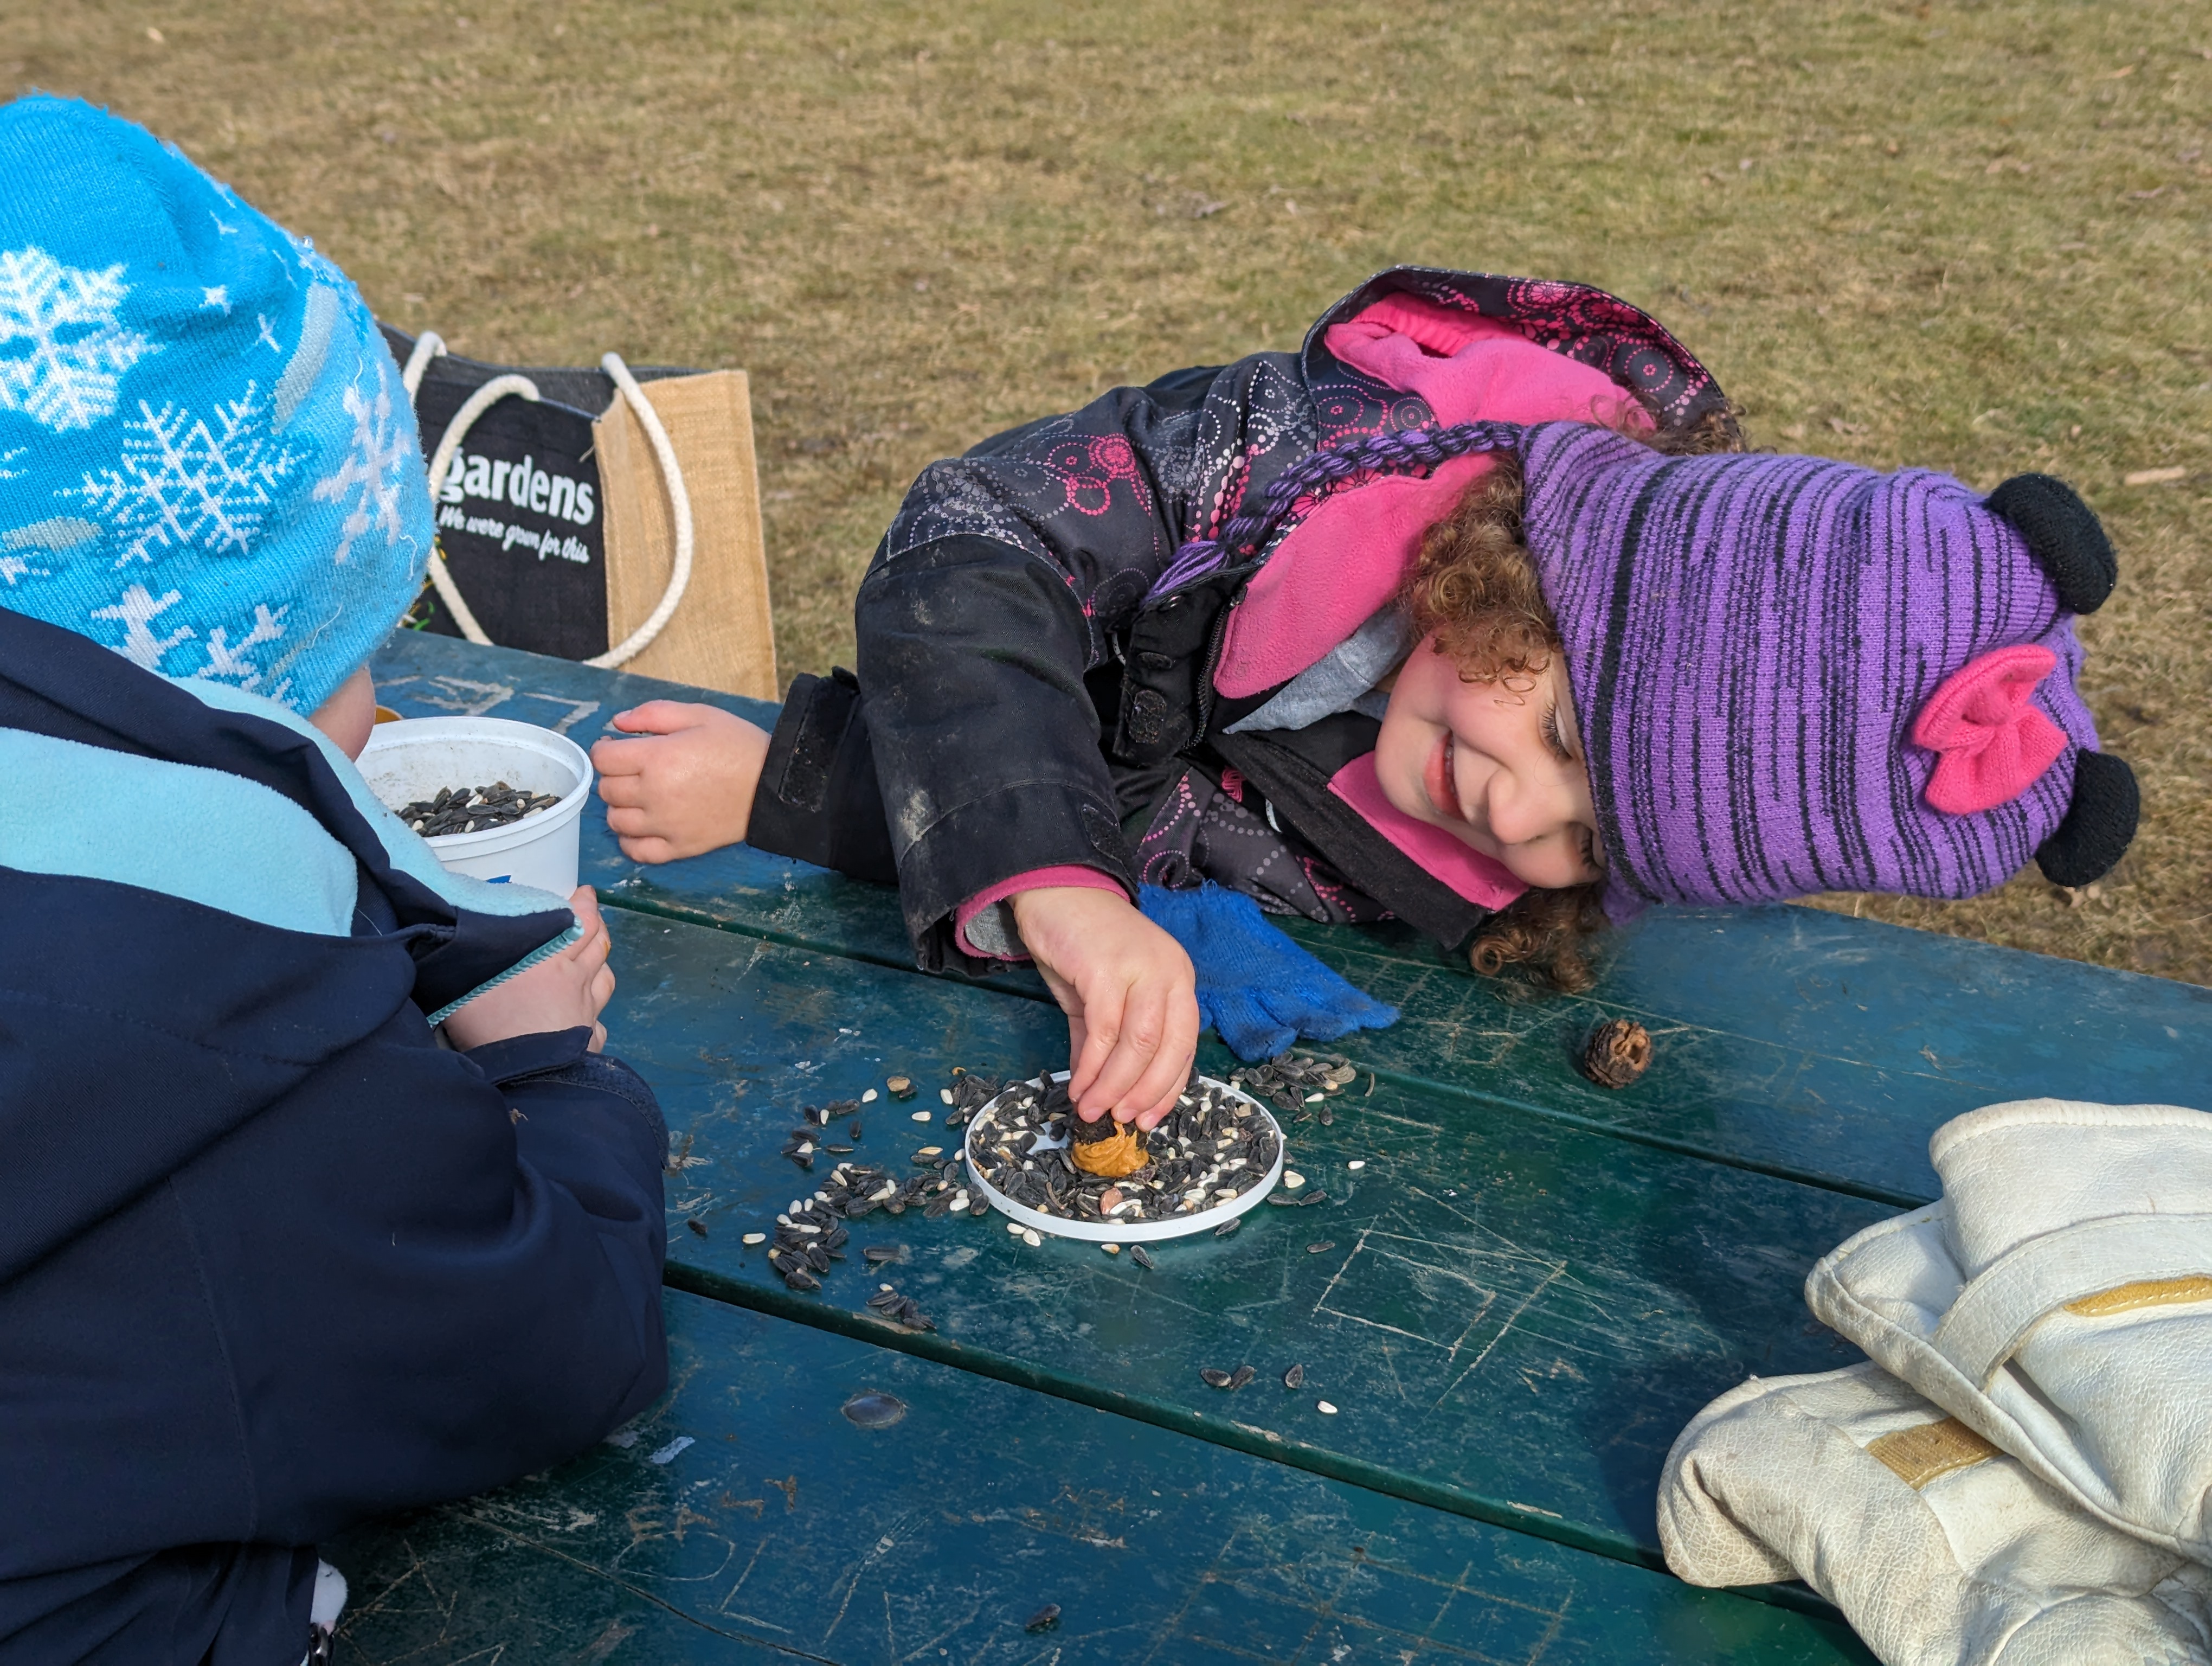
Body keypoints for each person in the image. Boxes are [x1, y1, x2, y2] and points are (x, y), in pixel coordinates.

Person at [594, 271, 2137, 1130]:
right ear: (1531, 570)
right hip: (998, 704)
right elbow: (986, 537)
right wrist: (830, 789)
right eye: (1563, 730)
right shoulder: (1313, 453)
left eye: (1597, 837)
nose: (1516, 805)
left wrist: (934, 839)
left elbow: (1191, 846)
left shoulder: (1471, 876)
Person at [0, 98, 667, 1664]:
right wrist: (552, 1081)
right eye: (355, 642)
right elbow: (550, 1347)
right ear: (231, 661)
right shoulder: (218, 1041)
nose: (368, 700)